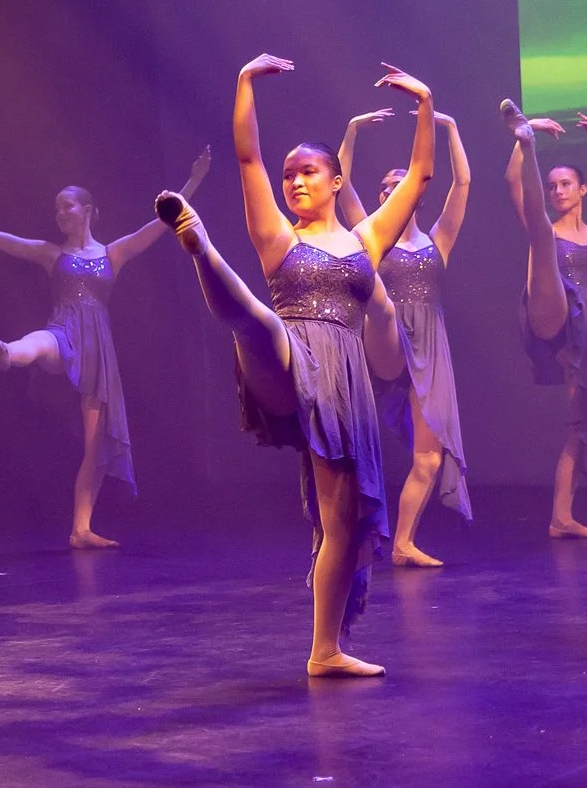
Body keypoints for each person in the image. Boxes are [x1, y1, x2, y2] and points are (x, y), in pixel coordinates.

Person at [153, 55, 436, 676]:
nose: (295, 183)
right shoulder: (279, 237)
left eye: (308, 173)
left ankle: (325, 651)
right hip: (286, 357)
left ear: (336, 180)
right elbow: (249, 158)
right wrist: (243, 82)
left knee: (343, 518)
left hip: (343, 386)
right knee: (255, 322)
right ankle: (200, 246)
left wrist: (424, 103)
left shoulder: (366, 241)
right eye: (290, 177)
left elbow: (420, 174)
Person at [0, 147, 211, 548]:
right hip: (64, 330)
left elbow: (162, 223)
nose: (59, 214)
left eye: (66, 207)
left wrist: (194, 181)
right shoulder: (52, 254)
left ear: (86, 210)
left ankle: (80, 530)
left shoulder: (112, 253)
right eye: (56, 209)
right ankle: (8, 354)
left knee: (95, 444)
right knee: (41, 343)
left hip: (98, 347)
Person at [333, 108, 472, 564]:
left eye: (401, 185)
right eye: (386, 188)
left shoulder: (438, 242)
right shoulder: (372, 234)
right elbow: (342, 184)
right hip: (387, 337)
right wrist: (352, 131)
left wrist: (449, 129)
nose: (392, 192)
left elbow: (463, 185)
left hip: (431, 349)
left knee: (429, 459)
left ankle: (404, 544)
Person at [499, 103, 587, 540]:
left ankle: (562, 516)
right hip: (551, 310)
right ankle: (528, 142)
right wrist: (527, 134)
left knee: (581, 422)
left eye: (564, 185)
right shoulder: (549, 226)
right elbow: (510, 182)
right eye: (552, 185)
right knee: (540, 233)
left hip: (586, 333)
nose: (558, 191)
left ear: (581, 191)